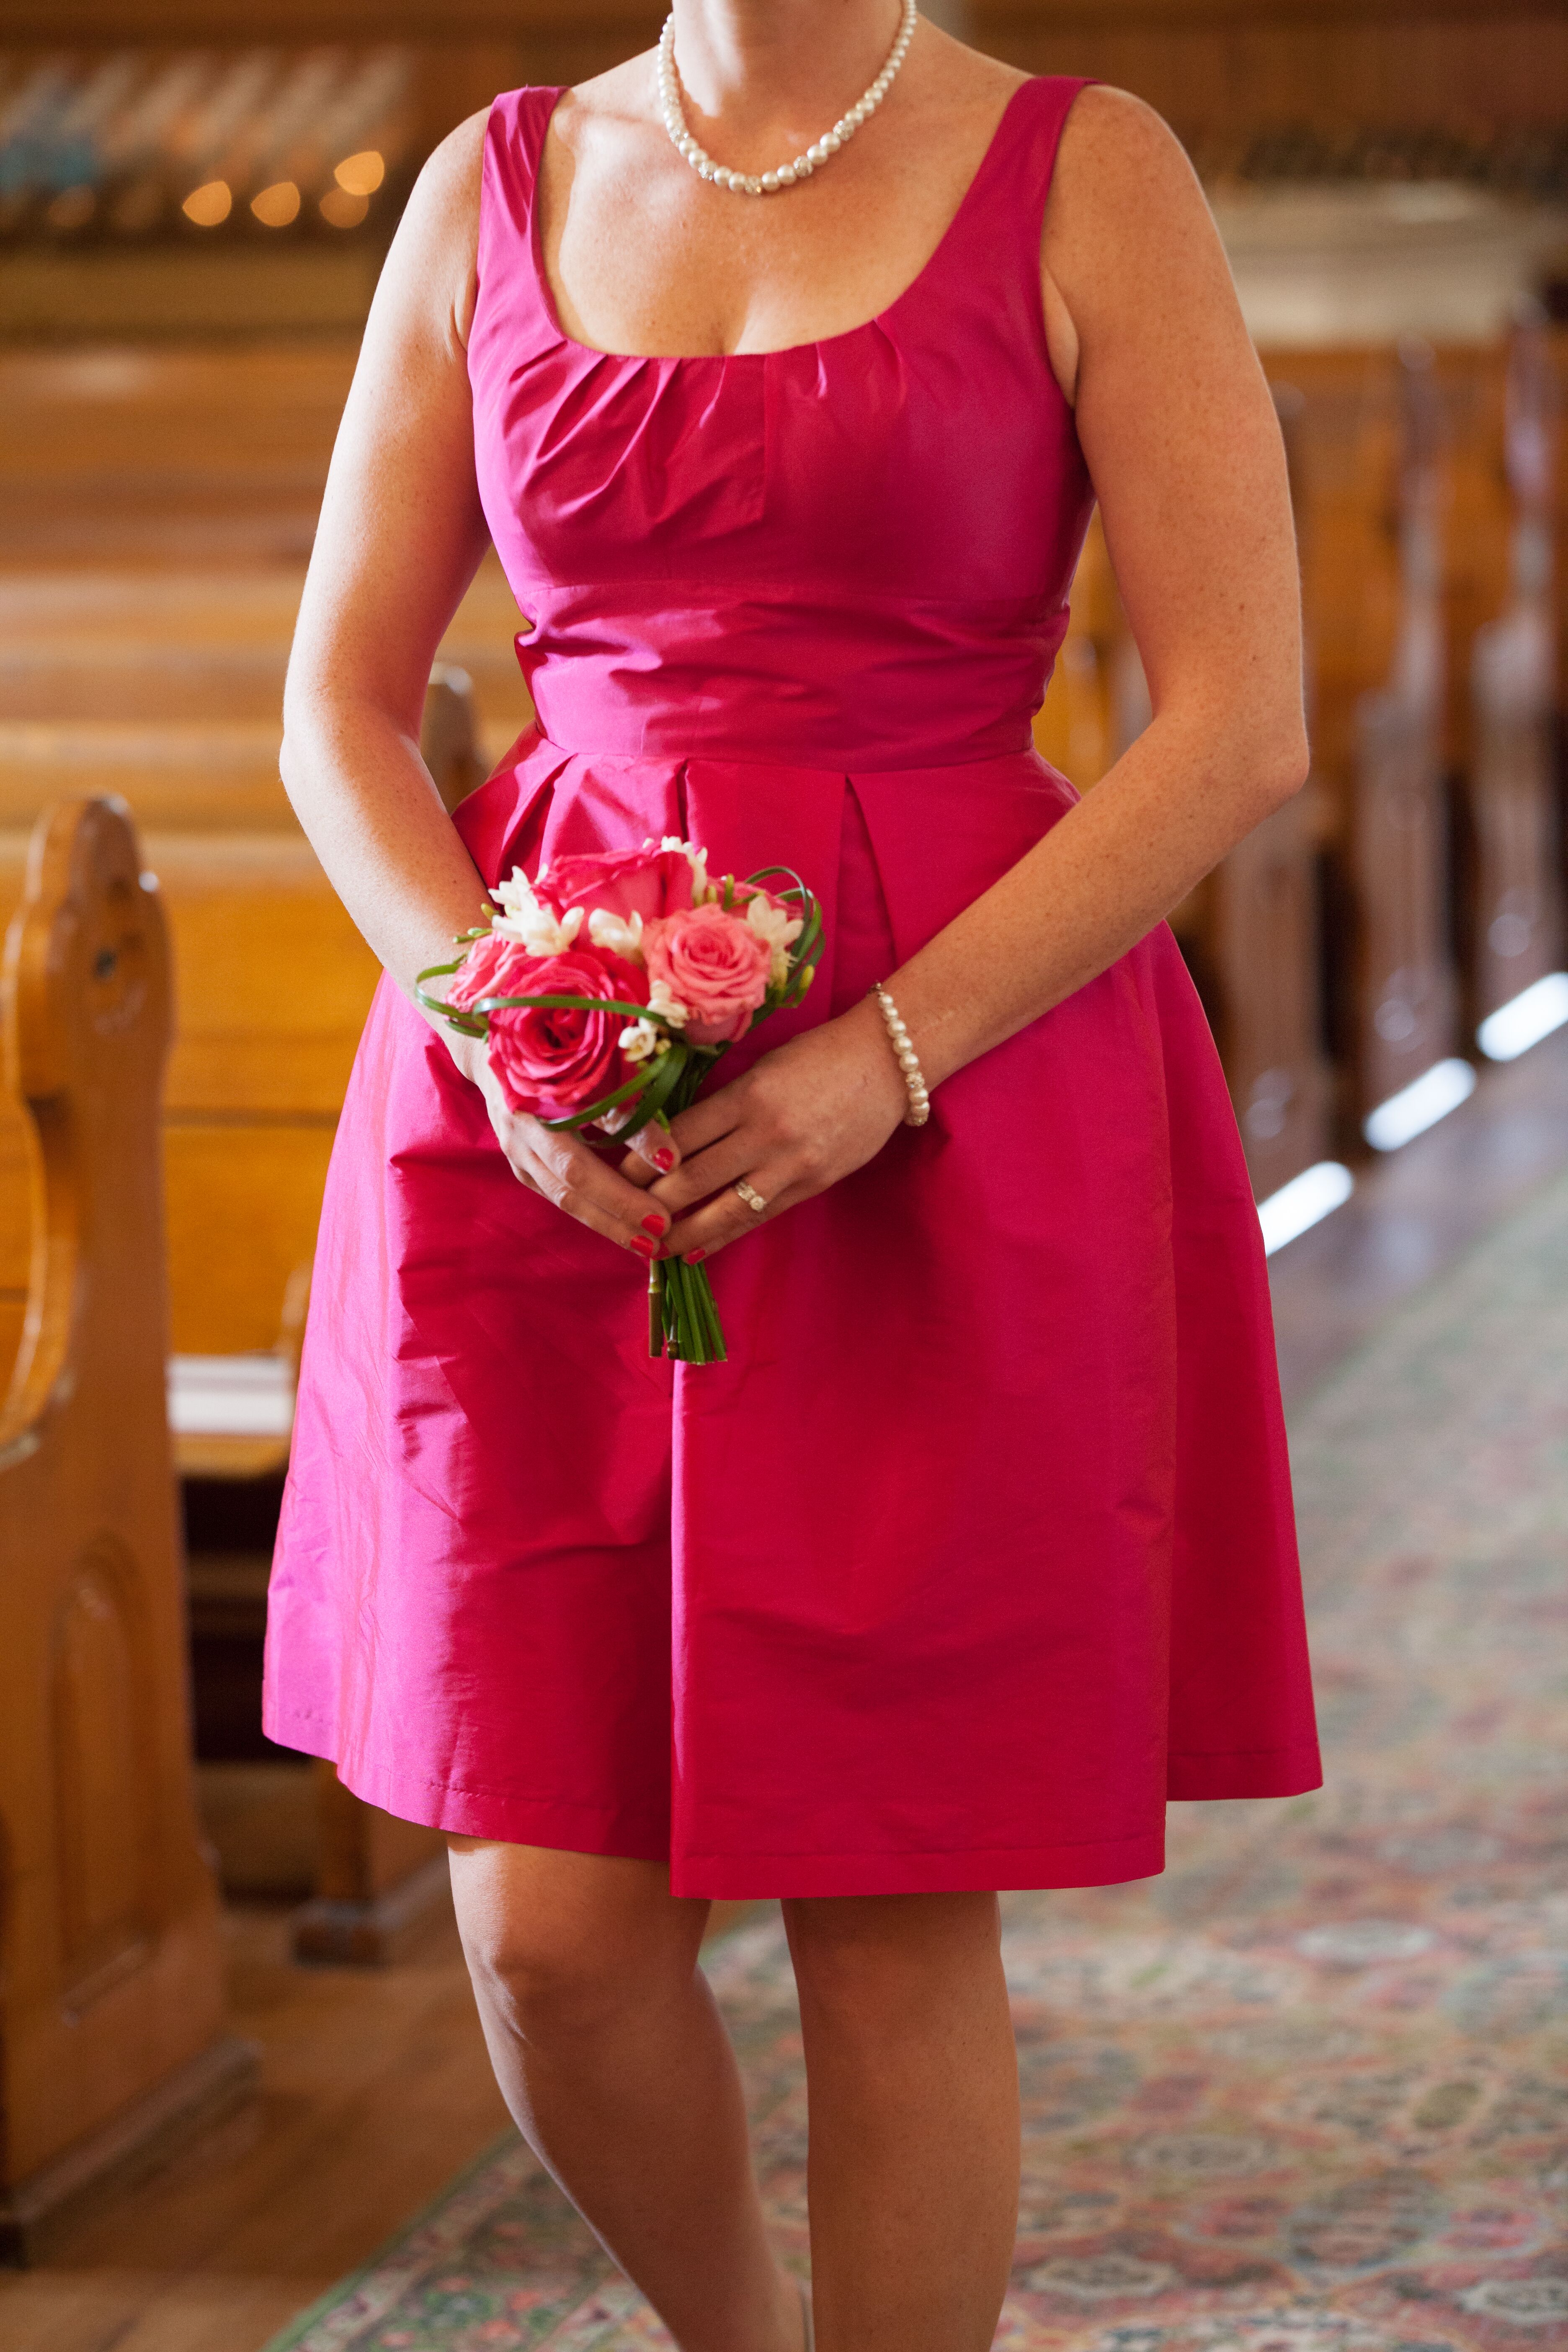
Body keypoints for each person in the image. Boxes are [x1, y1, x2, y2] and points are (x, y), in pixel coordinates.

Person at [263, 4, 1321, 2346]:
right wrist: (497, 1032)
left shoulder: (1089, 169)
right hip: (539, 1106)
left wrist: (890, 1060)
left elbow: (1243, 713)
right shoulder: (496, 178)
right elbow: (339, 703)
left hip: (962, 1093)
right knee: (545, 1930)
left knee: (890, 1893)